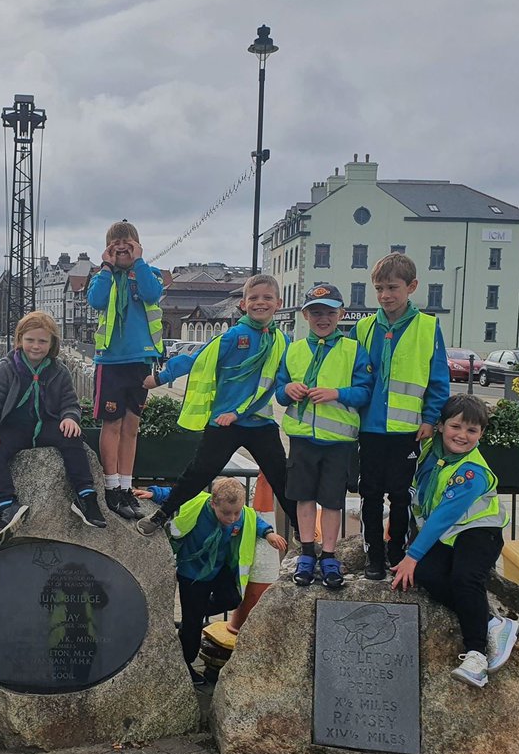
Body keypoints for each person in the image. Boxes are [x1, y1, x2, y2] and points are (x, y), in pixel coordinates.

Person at [136, 274, 298, 540]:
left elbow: (281, 382)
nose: (260, 302)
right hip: (225, 421)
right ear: (243, 304)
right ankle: (161, 515)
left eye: (267, 298)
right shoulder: (234, 335)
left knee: (282, 479)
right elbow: (198, 358)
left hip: (259, 421)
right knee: (199, 473)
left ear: (278, 303)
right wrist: (160, 378)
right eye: (254, 298)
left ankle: (305, 538)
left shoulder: (283, 341)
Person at [390, 395, 516, 688]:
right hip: (447, 535)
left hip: (478, 531)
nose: (462, 435)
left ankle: (477, 654)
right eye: (455, 426)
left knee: (464, 578)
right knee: (426, 574)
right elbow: (419, 493)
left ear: (481, 434)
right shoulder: (430, 453)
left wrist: (412, 554)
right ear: (440, 426)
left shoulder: (472, 472)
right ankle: (491, 623)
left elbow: (444, 516)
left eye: (472, 431)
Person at [136, 478, 286, 684]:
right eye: (226, 513)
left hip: (219, 569)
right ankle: (187, 664)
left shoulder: (242, 515)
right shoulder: (199, 502)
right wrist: (153, 493)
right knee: (192, 628)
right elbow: (176, 493)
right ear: (213, 504)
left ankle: (195, 614)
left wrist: (268, 533)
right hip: (192, 572)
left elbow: (254, 519)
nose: (232, 518)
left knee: (232, 599)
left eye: (236, 512)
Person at [355, 253, 450, 580]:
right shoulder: (364, 327)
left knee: (400, 494)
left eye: (392, 287)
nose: (385, 295)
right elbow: (355, 376)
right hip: (369, 428)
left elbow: (438, 379)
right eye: (379, 288)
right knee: (368, 493)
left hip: (407, 429)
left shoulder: (427, 326)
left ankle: (396, 551)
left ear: (411, 287)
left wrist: (430, 417)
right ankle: (373, 555)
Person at [275, 283, 373, 589]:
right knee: (304, 498)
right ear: (305, 315)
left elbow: (365, 391)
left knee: (332, 501)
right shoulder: (294, 350)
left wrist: (336, 393)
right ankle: (307, 552)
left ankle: (329, 554)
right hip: (303, 440)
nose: (323, 318)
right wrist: (288, 390)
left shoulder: (353, 350)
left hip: (339, 443)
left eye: (329, 312)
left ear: (341, 314)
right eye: (316, 312)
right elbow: (279, 391)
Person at [0, 311, 106, 545]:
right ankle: (6, 506)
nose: (35, 346)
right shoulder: (7, 368)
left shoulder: (59, 371)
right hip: (15, 429)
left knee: (73, 439)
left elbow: (70, 403)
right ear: (20, 340)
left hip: (47, 427)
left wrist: (70, 418)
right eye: (30, 340)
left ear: (52, 344)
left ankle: (86, 497)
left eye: (42, 341)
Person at [87, 220, 165, 519]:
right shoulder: (101, 279)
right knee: (113, 424)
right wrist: (106, 268)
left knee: (132, 426)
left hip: (140, 361)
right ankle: (111, 488)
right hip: (111, 363)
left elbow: (150, 294)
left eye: (128, 244)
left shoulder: (147, 273)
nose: (122, 249)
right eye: (115, 245)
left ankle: (126, 486)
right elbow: (96, 300)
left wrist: (139, 261)